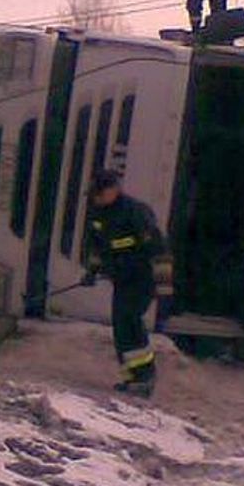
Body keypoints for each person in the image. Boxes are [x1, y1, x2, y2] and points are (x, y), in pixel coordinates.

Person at [82, 169, 165, 396]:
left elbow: (158, 247)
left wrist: (164, 285)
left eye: (100, 193)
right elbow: (96, 247)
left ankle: (145, 377)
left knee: (130, 321)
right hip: (121, 279)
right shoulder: (98, 214)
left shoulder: (135, 212)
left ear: (113, 190)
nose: (96, 198)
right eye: (94, 194)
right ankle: (131, 378)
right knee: (121, 325)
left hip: (142, 277)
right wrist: (91, 271)